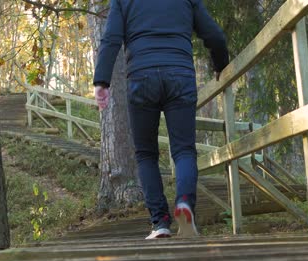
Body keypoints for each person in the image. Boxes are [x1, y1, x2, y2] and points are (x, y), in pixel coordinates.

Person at [93, 0, 229, 239]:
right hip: (180, 75)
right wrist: (221, 65)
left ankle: (160, 222)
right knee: (184, 150)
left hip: (142, 77)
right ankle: (185, 203)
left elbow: (111, 38)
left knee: (146, 154)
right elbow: (214, 35)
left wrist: (102, 81)